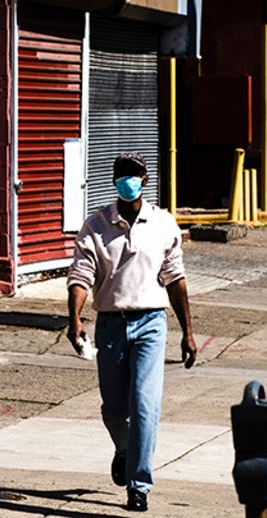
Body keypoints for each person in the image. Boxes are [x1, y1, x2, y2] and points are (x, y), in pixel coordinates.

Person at [66, 152, 196, 513]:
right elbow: (81, 276)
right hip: (111, 324)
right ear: (114, 180)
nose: (128, 179)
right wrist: (74, 319)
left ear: (145, 179)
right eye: (122, 174)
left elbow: (175, 279)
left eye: (134, 174)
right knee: (113, 410)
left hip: (152, 322)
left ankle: (139, 485)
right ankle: (124, 450)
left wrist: (188, 331)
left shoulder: (163, 223)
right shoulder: (96, 225)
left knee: (145, 404)